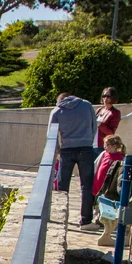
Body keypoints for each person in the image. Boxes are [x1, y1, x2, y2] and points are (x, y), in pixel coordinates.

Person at [49, 92, 98, 230]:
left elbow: (51, 135)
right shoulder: (87, 105)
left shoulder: (57, 111)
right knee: (86, 186)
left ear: (60, 100)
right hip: (86, 149)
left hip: (67, 150)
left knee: (62, 186)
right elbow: (94, 127)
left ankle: (60, 220)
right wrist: (87, 140)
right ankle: (86, 221)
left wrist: (59, 150)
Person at [94, 86, 121, 156]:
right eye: (104, 95)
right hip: (92, 144)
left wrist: (100, 125)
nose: (105, 98)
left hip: (102, 146)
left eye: (108, 96)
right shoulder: (99, 110)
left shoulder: (115, 113)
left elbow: (111, 132)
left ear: (113, 97)